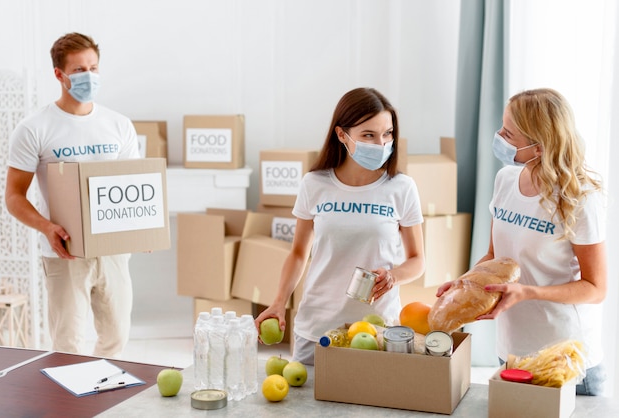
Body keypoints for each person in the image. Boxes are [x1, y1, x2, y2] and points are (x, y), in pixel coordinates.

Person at [438, 88, 607, 395]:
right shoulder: (505, 180)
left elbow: (596, 289)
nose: (499, 137)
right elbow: (493, 255)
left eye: (508, 134)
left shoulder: (581, 197)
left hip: (566, 358)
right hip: (513, 350)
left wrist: (527, 292)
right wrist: (463, 285)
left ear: (539, 146)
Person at [255, 87, 426, 365]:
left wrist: (393, 276)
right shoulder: (315, 184)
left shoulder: (402, 188)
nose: (381, 143)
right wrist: (278, 302)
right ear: (342, 135)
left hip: (376, 330)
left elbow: (418, 261)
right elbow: (298, 253)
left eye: (387, 133)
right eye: (368, 135)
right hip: (316, 328)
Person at [5, 32, 140, 358]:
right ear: (59, 75)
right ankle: (68, 406)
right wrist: (47, 228)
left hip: (112, 250)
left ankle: (106, 402)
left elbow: (132, 188)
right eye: (79, 70)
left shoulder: (119, 125)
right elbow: (13, 196)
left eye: (93, 68)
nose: (89, 76)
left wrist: (140, 228)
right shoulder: (34, 128)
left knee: (116, 337)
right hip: (64, 251)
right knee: (68, 344)